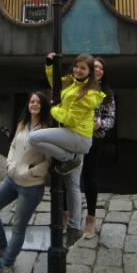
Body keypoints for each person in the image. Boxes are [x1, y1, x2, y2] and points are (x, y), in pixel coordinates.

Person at [29, 53, 105, 247]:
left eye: (83, 68)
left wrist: (53, 109)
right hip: (73, 137)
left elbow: (70, 119)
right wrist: (49, 65)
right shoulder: (71, 82)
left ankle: (69, 158)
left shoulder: (90, 94)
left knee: (33, 138)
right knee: (73, 186)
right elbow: (55, 83)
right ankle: (74, 228)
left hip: (77, 138)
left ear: (90, 72)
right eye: (76, 66)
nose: (78, 70)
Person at [0, 91, 51, 273]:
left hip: (31, 186)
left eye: (38, 102)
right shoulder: (22, 124)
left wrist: (30, 172)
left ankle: (5, 266)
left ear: (43, 106)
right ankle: (2, 248)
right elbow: (13, 146)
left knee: (18, 227)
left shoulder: (47, 130)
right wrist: (10, 164)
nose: (34, 104)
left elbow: (48, 161)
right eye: (32, 101)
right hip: (11, 179)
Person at [82, 56, 116, 238]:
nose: (98, 70)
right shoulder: (79, 87)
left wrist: (100, 124)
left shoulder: (107, 93)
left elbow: (111, 119)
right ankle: (66, 216)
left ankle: (91, 218)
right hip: (76, 135)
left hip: (95, 139)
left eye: (101, 68)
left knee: (90, 177)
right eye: (95, 67)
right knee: (69, 177)